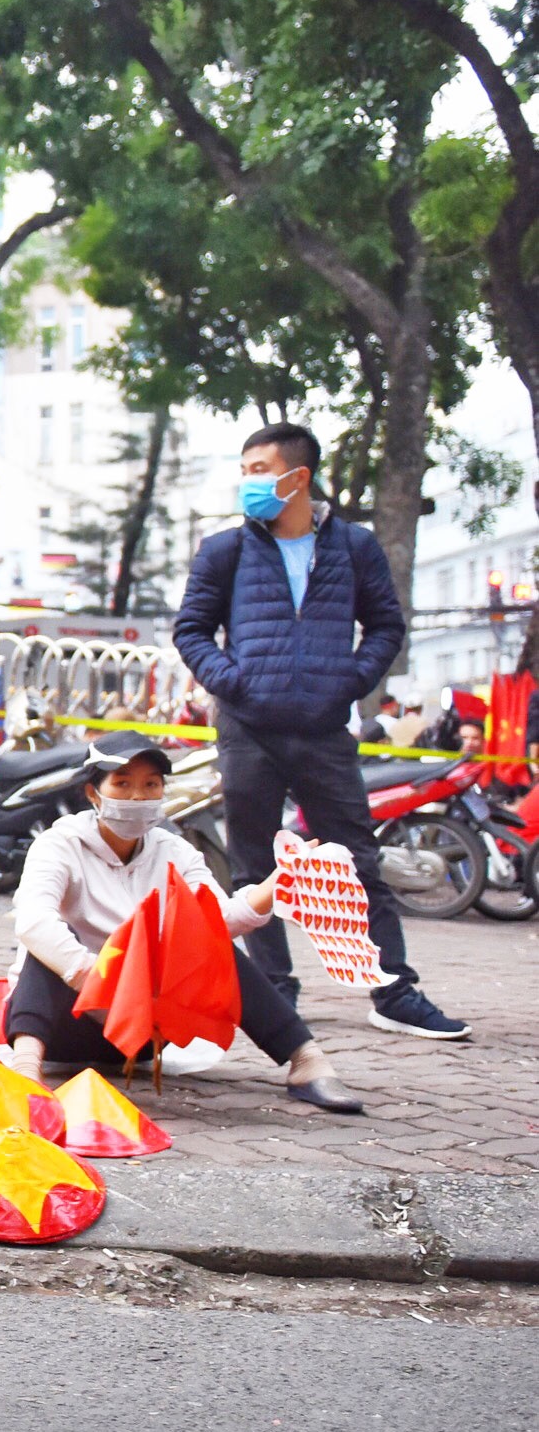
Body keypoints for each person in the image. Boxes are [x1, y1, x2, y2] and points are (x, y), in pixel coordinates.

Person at [174, 422, 469, 1041]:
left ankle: (392, 990)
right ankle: (273, 995)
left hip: (324, 730)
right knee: (254, 867)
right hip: (248, 729)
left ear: (297, 477)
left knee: (355, 859)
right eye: (246, 469)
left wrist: (347, 682)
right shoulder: (225, 550)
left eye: (259, 468)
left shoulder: (354, 547)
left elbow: (387, 626)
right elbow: (191, 630)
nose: (248, 481)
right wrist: (235, 683)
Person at [7, 742, 363, 1112]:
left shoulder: (175, 851)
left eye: (151, 785)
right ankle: (26, 1070)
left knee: (215, 943)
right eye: (122, 784)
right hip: (65, 1022)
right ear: (93, 793)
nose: (137, 796)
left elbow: (216, 919)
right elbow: (33, 920)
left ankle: (307, 1061)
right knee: (46, 942)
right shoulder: (59, 845)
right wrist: (93, 975)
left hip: (143, 1027)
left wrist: (276, 885)